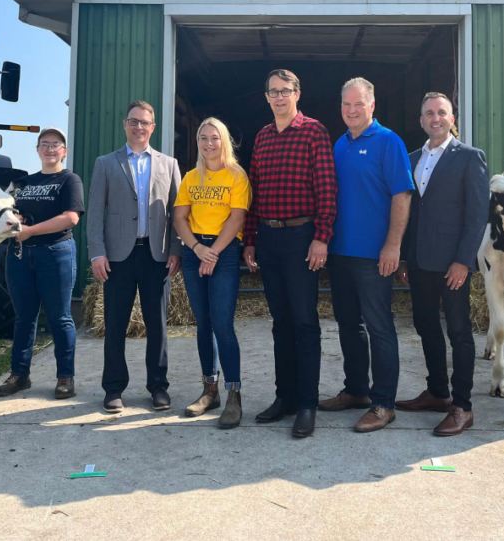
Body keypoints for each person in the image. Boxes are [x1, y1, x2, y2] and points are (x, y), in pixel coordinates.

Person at [243, 69, 338, 439]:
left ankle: (308, 404)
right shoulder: (263, 137)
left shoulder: (314, 132)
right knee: (280, 323)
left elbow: (327, 189)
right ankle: (284, 398)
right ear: (266, 97)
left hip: (302, 237)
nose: (279, 97)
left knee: (304, 321)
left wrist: (322, 238)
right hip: (269, 238)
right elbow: (254, 193)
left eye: (286, 91)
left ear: (298, 93)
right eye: (273, 92)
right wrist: (250, 239)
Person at [319, 78, 414, 433]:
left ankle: (383, 402)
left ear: (372, 105)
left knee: (379, 327)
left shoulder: (389, 142)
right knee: (348, 325)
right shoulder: (339, 145)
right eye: (346, 105)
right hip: (340, 251)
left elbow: (402, 195)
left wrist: (393, 246)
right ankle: (356, 390)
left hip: (374, 256)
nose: (351, 110)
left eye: (358, 104)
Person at [395, 93, 489, 436]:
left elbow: (478, 215)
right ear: (421, 120)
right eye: (429, 113)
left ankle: (462, 406)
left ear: (452, 119)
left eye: (442, 113)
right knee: (425, 325)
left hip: (453, 265)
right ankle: (437, 392)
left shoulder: (469, 157)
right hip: (419, 261)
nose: (435, 118)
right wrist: (405, 255)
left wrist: (463, 261)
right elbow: (407, 212)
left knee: (459, 332)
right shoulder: (412, 157)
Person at [87, 101, 182, 414]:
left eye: (145, 122)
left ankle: (158, 387)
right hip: (118, 257)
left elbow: (178, 214)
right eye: (133, 122)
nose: (139, 127)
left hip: (156, 256)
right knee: (115, 324)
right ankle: (113, 388)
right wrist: (97, 252)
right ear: (124, 125)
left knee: (157, 325)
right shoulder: (105, 163)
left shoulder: (169, 165)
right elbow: (95, 213)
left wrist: (176, 250)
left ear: (153, 127)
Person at [172, 118, 251, 429]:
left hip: (225, 251)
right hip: (195, 252)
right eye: (203, 138)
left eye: (214, 138)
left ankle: (234, 394)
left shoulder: (236, 175)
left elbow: (237, 218)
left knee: (222, 324)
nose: (208, 143)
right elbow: (179, 217)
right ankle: (210, 390)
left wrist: (213, 251)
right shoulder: (192, 177)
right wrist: (195, 248)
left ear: (224, 141)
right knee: (202, 325)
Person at [0, 127, 84, 399]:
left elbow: (71, 218)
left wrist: (32, 230)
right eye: (44, 144)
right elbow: (4, 212)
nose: (50, 149)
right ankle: (20, 375)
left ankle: (65, 378)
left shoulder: (69, 180)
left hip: (56, 253)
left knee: (60, 318)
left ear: (64, 151)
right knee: (24, 318)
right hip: (20, 256)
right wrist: (15, 222)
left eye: (55, 145)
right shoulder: (22, 183)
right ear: (37, 150)